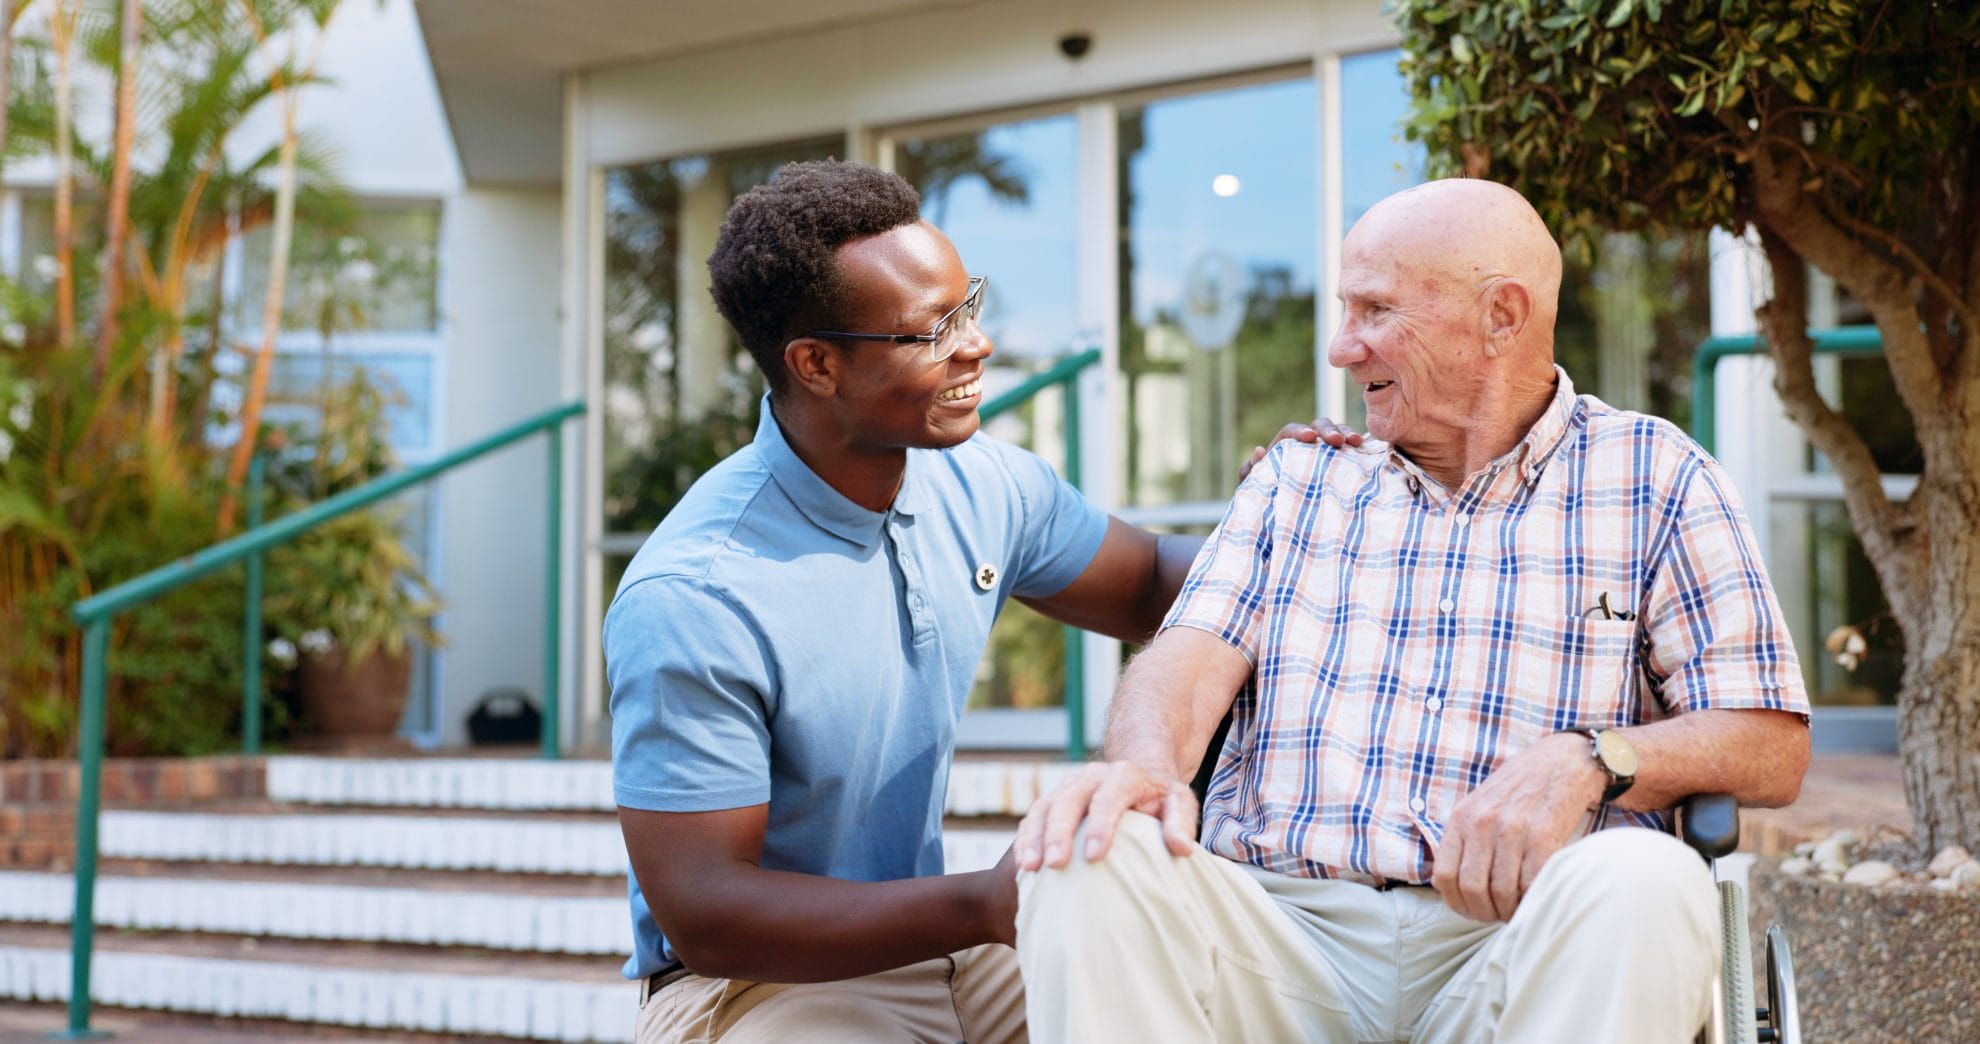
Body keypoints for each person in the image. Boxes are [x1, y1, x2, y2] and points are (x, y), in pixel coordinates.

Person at [1012, 178, 1813, 1044]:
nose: (1339, 347)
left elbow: (1771, 743)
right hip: (1278, 934)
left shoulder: (1656, 477)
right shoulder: (1298, 479)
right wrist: (1144, 768)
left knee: (1648, 881)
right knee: (1092, 847)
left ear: (1502, 316)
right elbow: (1184, 661)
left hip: (1521, 938)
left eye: (1376, 310)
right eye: (1344, 310)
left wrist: (1594, 758)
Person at [604, 159, 1355, 1043]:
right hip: (753, 985)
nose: (977, 345)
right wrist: (983, 902)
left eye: (970, 306)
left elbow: (1152, 582)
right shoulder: (697, 595)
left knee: (1208, 995)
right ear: (817, 364)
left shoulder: (978, 480)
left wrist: (1286, 523)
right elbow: (708, 911)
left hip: (946, 949)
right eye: (934, 330)